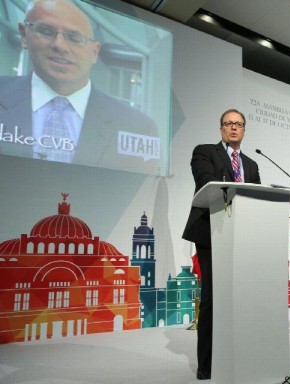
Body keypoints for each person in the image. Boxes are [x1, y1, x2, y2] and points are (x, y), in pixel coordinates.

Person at [0, 0, 159, 173]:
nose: (59, 45)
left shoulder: (138, 127)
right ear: (24, 35)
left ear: (94, 51)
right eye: (46, 31)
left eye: (75, 38)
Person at [182, 108, 261, 381]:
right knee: (213, 299)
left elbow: (257, 198)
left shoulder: (251, 165)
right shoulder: (204, 152)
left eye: (238, 124)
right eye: (228, 124)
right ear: (221, 129)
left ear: (244, 129)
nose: (233, 128)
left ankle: (241, 354)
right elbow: (206, 183)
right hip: (213, 233)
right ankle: (208, 365)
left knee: (243, 298)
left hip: (243, 237)